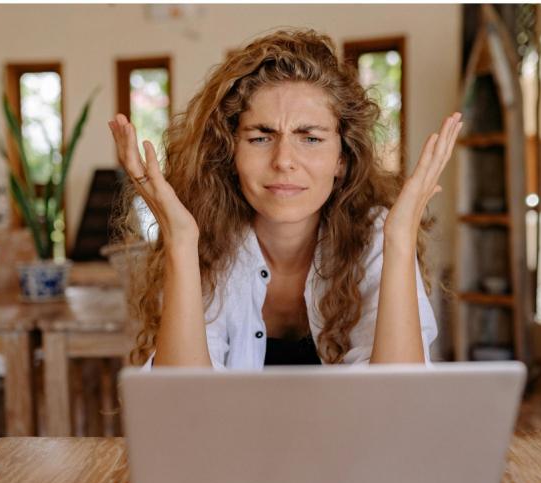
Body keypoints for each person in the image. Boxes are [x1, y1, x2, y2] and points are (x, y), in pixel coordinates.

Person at [109, 28, 462, 369]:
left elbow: (397, 404)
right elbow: (181, 405)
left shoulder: (373, 235)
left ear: (342, 158)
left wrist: (399, 240)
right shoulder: (206, 241)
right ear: (230, 153)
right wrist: (182, 244)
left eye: (310, 138)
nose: (284, 161)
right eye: (261, 138)